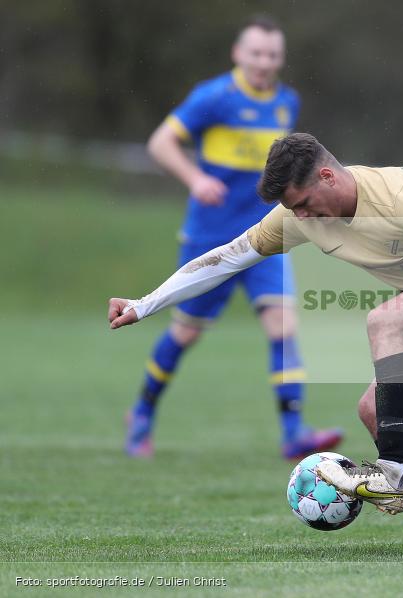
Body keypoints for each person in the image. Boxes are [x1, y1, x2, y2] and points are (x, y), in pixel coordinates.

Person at [108, 133, 403, 556]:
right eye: (292, 209)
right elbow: (229, 256)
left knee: (385, 321)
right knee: (375, 409)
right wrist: (145, 304)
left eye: (303, 203)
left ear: (328, 176)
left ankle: (392, 474)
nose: (300, 215)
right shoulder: (299, 216)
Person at [127, 16, 342, 460]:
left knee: (283, 325)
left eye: (272, 55)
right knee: (185, 333)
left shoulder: (286, 102)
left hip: (268, 235)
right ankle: (142, 413)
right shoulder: (213, 97)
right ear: (238, 54)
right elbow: (159, 143)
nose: (264, 62)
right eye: (256, 53)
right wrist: (194, 178)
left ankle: (293, 433)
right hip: (210, 238)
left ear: (281, 58)